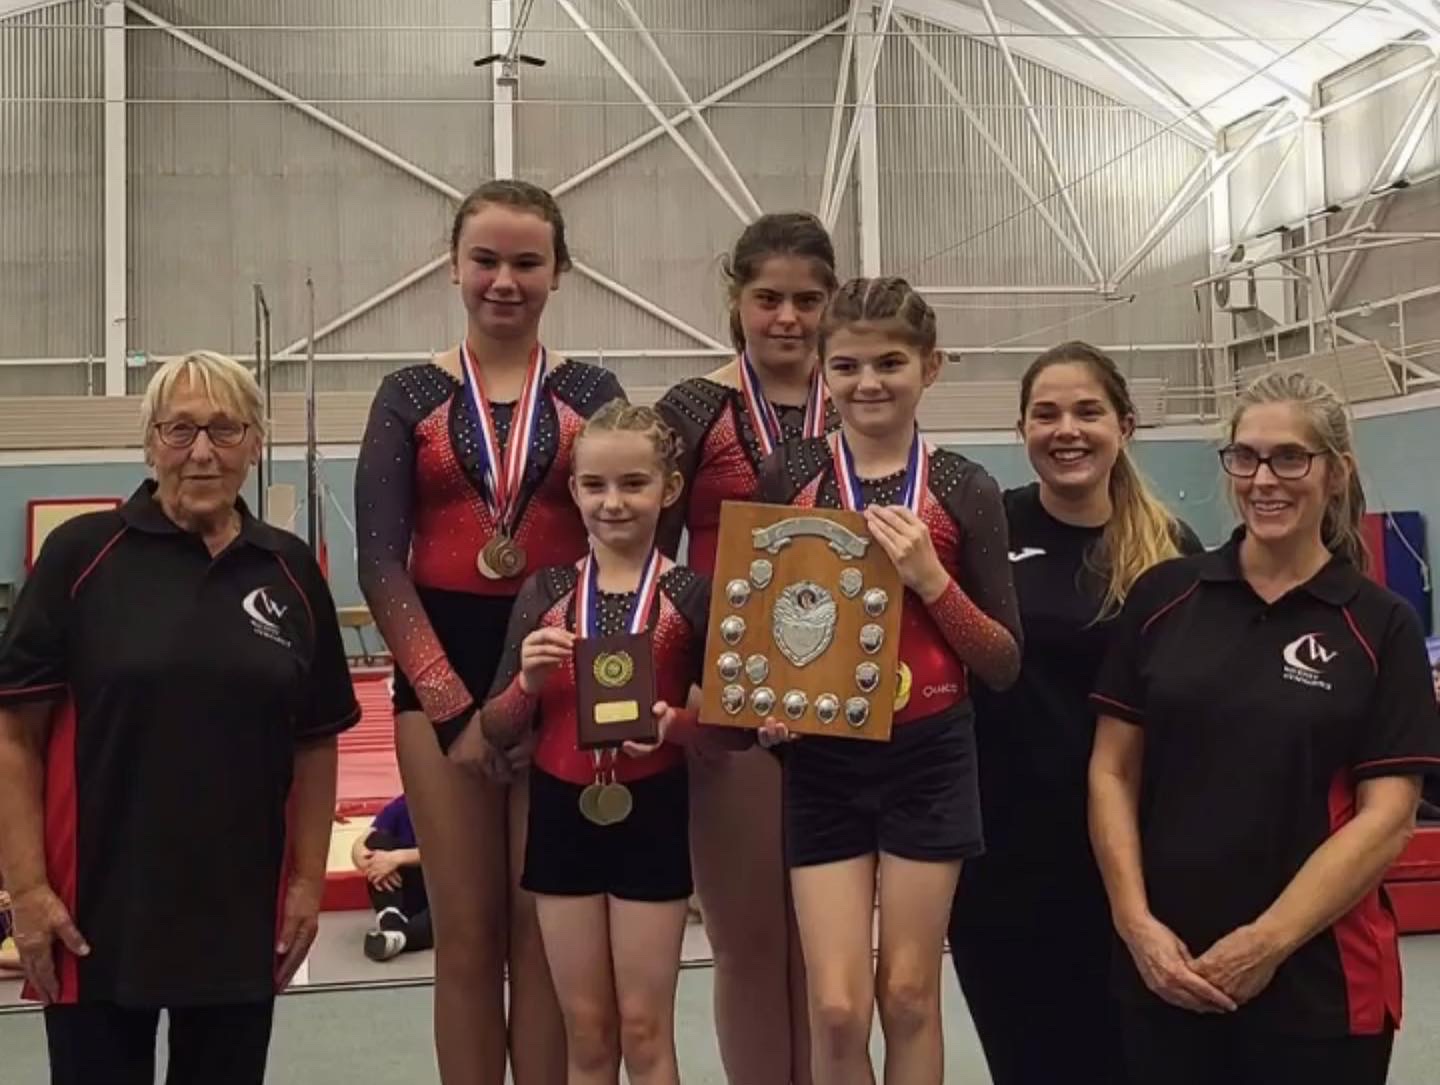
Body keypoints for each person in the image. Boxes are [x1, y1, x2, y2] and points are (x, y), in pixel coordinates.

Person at [0, 351, 359, 1085]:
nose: (202, 451)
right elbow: (14, 736)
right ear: (150, 442)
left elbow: (315, 740)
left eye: (225, 429)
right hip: (96, 913)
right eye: (180, 429)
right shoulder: (81, 557)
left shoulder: (289, 570)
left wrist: (305, 885)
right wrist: (27, 891)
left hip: (237, 913)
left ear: (255, 442)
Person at [1089, 370, 1440, 1085]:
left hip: (1321, 986)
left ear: (1336, 473)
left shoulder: (1380, 624)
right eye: (1244, 456)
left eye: (1289, 457)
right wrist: (1134, 924)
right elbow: (1112, 769)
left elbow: (1388, 817)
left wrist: (1266, 943)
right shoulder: (1166, 596)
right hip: (1168, 971)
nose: (1262, 479)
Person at [356, 179, 624, 1085]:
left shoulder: (593, 392)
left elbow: (626, 545)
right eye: (486, 260)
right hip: (443, 674)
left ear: (559, 271)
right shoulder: (409, 395)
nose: (504, 280)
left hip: (561, 668)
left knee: (545, 932)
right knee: (468, 935)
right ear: (453, 266)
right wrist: (455, 712)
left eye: (526, 262)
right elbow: (380, 564)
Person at [756, 277, 1022, 1085]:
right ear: (822, 371)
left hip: (931, 756)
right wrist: (768, 708)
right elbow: (766, 624)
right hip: (823, 758)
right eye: (847, 365)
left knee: (908, 994)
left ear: (930, 367)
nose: (868, 382)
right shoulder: (791, 473)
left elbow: (1003, 661)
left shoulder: (963, 486)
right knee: (837, 1007)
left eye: (890, 363)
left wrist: (933, 580)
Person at [948, 342, 1202, 1085]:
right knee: (1029, 1061)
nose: (1067, 430)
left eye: (1088, 411)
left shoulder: (1170, 549)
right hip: (1004, 856)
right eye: (1046, 413)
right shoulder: (985, 531)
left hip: (1132, 857)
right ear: (1021, 428)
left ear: (1125, 424)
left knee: (1131, 1062)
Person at [654, 212, 838, 1085]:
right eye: (768, 298)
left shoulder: (864, 396)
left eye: (808, 299)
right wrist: (673, 694)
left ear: (832, 302)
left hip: (847, 702)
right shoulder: (694, 410)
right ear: (737, 300)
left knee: (832, 953)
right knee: (749, 942)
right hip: (729, 702)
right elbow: (645, 563)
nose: (788, 318)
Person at [479, 402, 709, 1085]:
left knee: (645, 1028)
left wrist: (676, 725)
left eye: (633, 484)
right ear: (574, 490)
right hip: (561, 813)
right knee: (585, 1031)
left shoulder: (691, 594)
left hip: (653, 810)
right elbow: (496, 728)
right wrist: (527, 682)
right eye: (595, 485)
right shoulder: (545, 591)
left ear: (669, 488)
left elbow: (736, 731)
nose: (613, 502)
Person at [351, 794, 431, 962]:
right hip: (411, 891)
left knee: (455, 915)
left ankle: (398, 935)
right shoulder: (403, 805)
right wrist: (367, 859)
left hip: (444, 896)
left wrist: (397, 858)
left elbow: (457, 854)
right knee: (376, 842)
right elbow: (362, 842)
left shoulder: (455, 806)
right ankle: (391, 917)